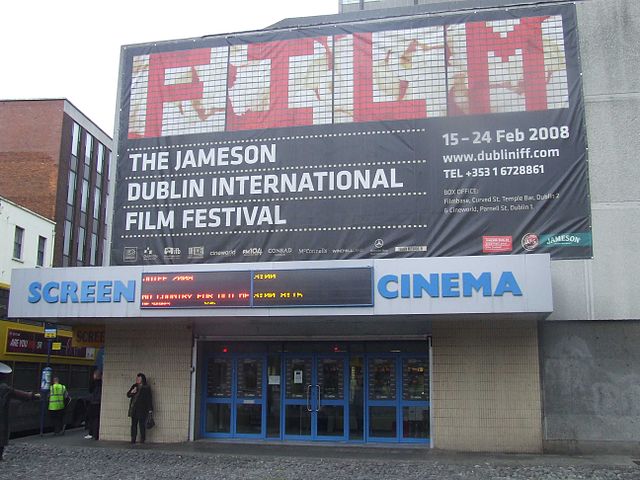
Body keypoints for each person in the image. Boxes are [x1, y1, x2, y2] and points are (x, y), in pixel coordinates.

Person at [0, 362, 38, 461]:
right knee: (2, 434)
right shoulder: (4, 388)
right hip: (1, 416)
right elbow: (20, 394)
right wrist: (33, 396)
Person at [126, 372, 153, 444]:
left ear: (142, 379)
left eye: (139, 378)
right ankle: (133, 438)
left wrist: (150, 409)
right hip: (134, 408)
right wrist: (132, 392)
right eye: (137, 378)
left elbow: (149, 399)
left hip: (142, 409)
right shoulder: (134, 386)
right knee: (133, 424)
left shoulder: (146, 388)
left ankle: (142, 438)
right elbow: (128, 395)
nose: (137, 380)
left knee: (141, 424)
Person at [84, 369, 102, 440]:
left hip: (93, 402)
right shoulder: (102, 383)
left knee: (92, 419)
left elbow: (90, 390)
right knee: (97, 419)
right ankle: (96, 434)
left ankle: (91, 433)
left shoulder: (94, 383)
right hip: (99, 402)